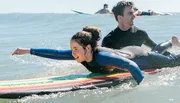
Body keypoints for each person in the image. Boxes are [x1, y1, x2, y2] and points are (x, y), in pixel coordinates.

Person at [12, 26, 180, 85]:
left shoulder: (102, 57)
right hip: (128, 51)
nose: (73, 52)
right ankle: (171, 42)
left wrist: (142, 86)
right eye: (72, 49)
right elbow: (56, 53)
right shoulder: (82, 54)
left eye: (76, 49)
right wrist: (27, 50)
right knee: (159, 52)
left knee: (172, 61)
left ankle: (172, 45)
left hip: (140, 56)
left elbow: (132, 66)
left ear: (88, 48)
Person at [102, 1, 178, 56]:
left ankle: (172, 42)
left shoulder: (140, 34)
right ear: (120, 18)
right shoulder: (109, 40)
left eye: (133, 13)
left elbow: (156, 50)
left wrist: (172, 59)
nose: (134, 16)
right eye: (130, 13)